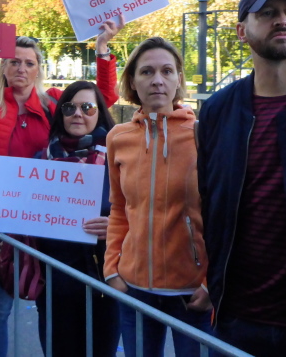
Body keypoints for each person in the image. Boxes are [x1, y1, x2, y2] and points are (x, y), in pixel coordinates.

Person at [0, 23, 121, 357]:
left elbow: (99, 99)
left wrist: (102, 49)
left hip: (52, 221)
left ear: (38, 69)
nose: (21, 69)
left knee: (55, 299)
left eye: (29, 63)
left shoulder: (53, 102)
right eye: (14, 61)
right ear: (4, 67)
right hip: (2, 218)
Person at [198, 0, 286, 356]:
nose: (282, 20)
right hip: (237, 322)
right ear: (241, 31)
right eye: (267, 13)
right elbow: (210, 203)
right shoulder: (218, 111)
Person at [0, 80, 121, 356]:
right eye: (70, 107)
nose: (78, 114)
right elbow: (23, 213)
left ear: (100, 112)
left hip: (101, 283)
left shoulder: (118, 159)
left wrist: (116, 226)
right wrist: (3, 218)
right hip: (53, 284)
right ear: (60, 112)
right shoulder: (42, 158)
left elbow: (138, 210)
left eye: (87, 107)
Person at [104, 37, 211, 357]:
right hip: (135, 290)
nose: (158, 80)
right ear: (133, 82)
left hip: (193, 293)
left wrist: (211, 282)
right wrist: (112, 269)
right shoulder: (118, 138)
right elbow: (120, 208)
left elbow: (220, 213)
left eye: (167, 71)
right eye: (147, 72)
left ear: (179, 78)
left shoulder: (203, 134)